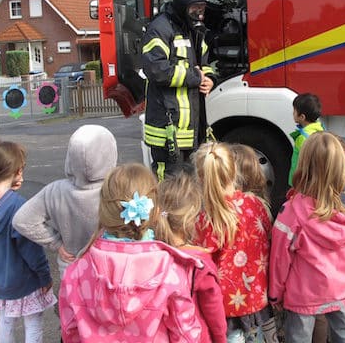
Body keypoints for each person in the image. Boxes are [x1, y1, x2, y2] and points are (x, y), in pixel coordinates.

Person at [58, 163, 203, 342]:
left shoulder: (77, 272)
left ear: (103, 210)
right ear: (155, 210)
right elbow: (185, 334)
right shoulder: (170, 271)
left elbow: (70, 331)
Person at [269, 132, 345, 343]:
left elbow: (279, 258)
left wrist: (275, 292)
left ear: (304, 165)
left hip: (303, 294)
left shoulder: (292, 210)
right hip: (339, 287)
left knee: (298, 337)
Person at [0, 141, 56, 343]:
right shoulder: (17, 206)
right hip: (25, 282)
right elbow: (32, 252)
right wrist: (45, 276)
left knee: (6, 320)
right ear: (17, 171)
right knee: (33, 322)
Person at [12, 125, 118, 279]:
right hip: (109, 271)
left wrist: (56, 243)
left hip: (72, 272)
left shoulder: (55, 191)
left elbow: (22, 220)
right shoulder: (118, 189)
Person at [194, 142, 273, 342]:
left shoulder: (205, 218)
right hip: (256, 298)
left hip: (224, 306)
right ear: (233, 170)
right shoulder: (256, 204)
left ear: (201, 178)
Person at [142, 0, 216, 180]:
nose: (199, 13)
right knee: (170, 188)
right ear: (182, 6)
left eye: (202, 8)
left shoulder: (195, 30)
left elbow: (204, 63)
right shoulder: (159, 29)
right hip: (168, 132)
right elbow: (156, 70)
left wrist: (209, 79)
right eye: (195, 8)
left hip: (191, 131)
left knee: (191, 188)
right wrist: (194, 77)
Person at [153, 172, 227, 343]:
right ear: (191, 219)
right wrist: (220, 338)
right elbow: (213, 309)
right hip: (195, 336)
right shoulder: (200, 263)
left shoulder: (150, 254)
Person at [289, 93, 324, 186]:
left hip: (301, 183)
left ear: (302, 117)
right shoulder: (320, 130)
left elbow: (299, 163)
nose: (292, 113)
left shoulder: (302, 138)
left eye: (294, 111)